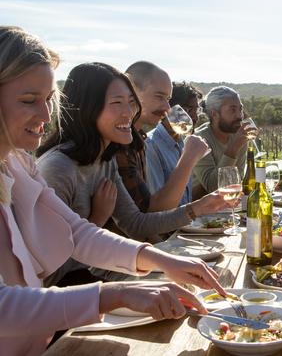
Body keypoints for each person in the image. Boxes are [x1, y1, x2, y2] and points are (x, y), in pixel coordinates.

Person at [0, 26, 225, 356]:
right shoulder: (50, 165)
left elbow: (77, 232)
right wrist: (112, 294)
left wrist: (163, 260)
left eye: (49, 100)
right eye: (29, 100)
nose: (47, 115)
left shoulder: (17, 163)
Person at [35, 62, 229, 284]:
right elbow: (48, 272)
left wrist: (199, 207)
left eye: (130, 102)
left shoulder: (104, 159)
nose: (129, 112)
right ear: (87, 108)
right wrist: (96, 220)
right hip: (69, 292)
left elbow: (136, 223)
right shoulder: (58, 169)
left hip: (97, 276)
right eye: (117, 103)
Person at [117, 61, 210, 213]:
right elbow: (150, 213)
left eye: (168, 99)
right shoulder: (131, 145)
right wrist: (188, 159)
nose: (167, 108)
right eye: (160, 97)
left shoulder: (138, 141)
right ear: (133, 91)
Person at [145, 81, 204, 206]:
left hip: (186, 224)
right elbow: (157, 207)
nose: (195, 117)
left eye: (196, 110)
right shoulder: (150, 146)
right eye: (188, 109)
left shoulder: (182, 143)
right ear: (168, 109)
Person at [192, 86, 251, 195]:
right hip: (201, 208)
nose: (239, 116)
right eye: (232, 110)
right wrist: (234, 147)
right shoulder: (199, 140)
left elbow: (237, 180)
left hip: (228, 206)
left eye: (240, 109)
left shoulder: (239, 137)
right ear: (214, 114)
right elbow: (213, 188)